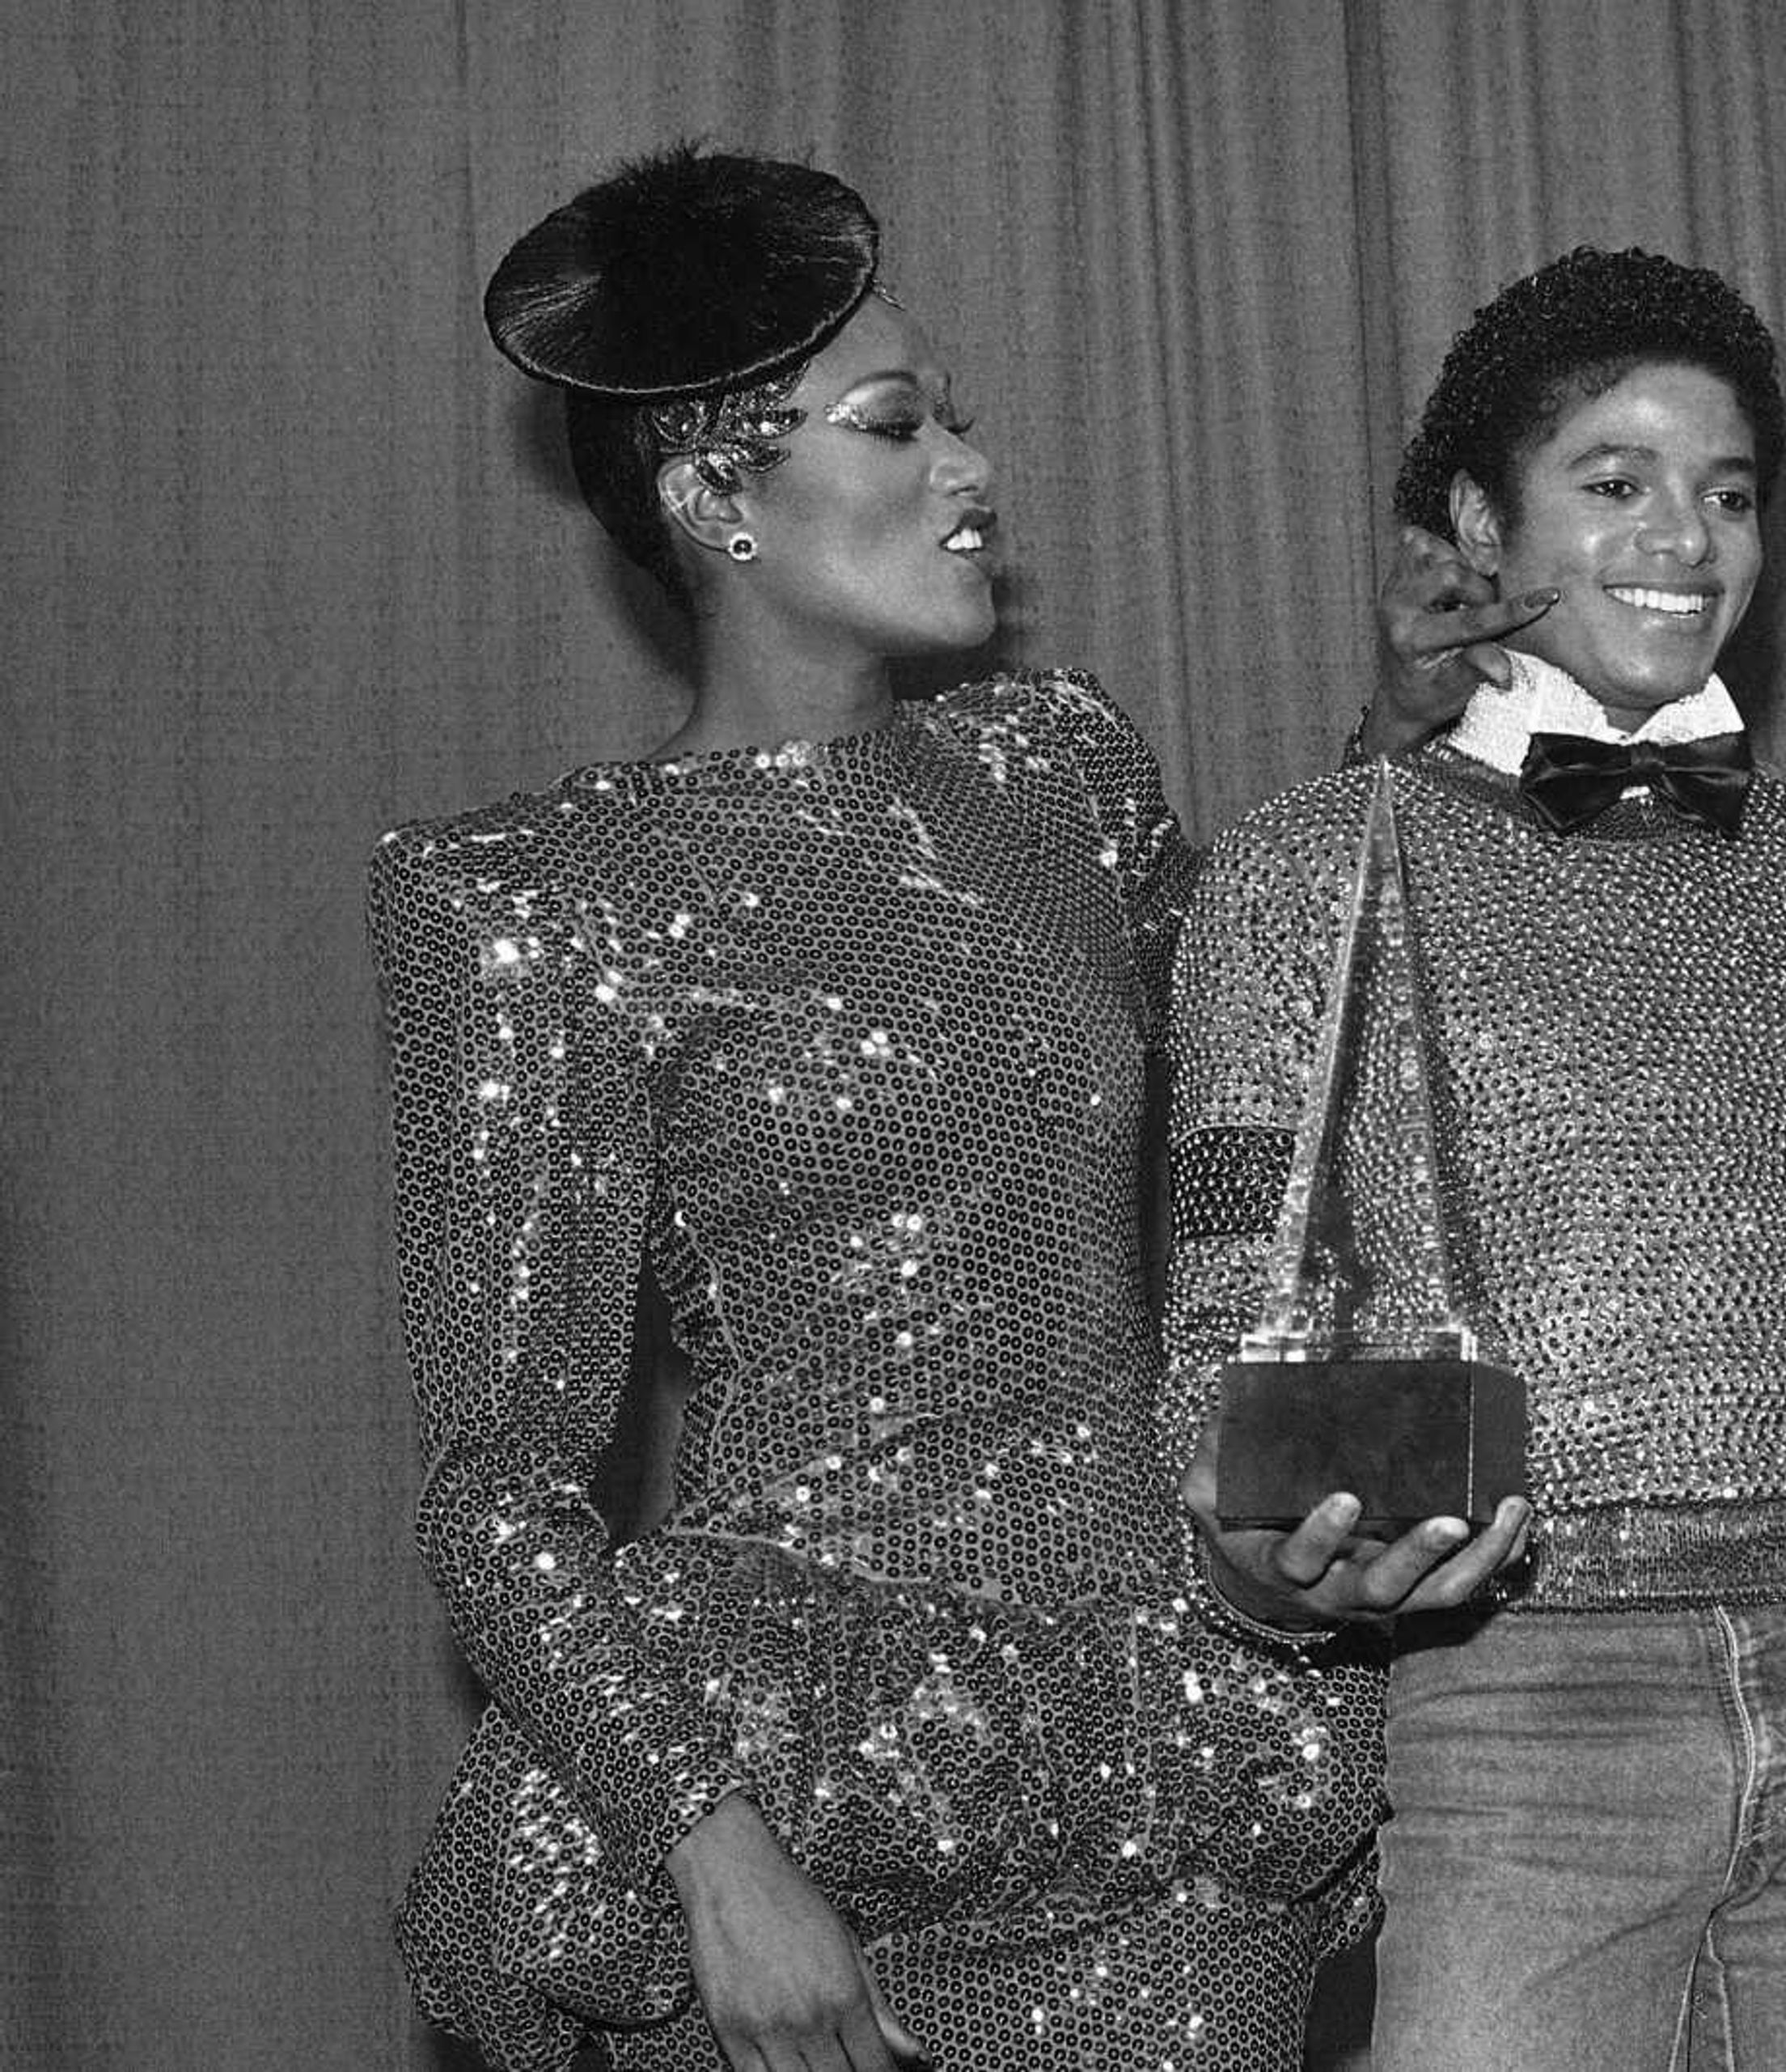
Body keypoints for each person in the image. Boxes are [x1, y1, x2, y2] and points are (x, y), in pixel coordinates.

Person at [370, 144, 1513, 2072]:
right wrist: (714, 1856)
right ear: (712, 491)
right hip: (792, 1802)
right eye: (899, 428)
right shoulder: (530, 899)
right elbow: (496, 1498)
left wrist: (1405, 736)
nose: (972, 474)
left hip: (1166, 1762)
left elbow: (1281, 1083)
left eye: (958, 421)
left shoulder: (1060, 768)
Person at [1164, 248, 1786, 2072]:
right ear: (1473, 524)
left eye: (1730, 493)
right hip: (1522, 1703)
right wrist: (1269, 1571)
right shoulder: (1303, 871)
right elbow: (1222, 1336)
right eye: (1617, 484)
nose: (1689, 537)